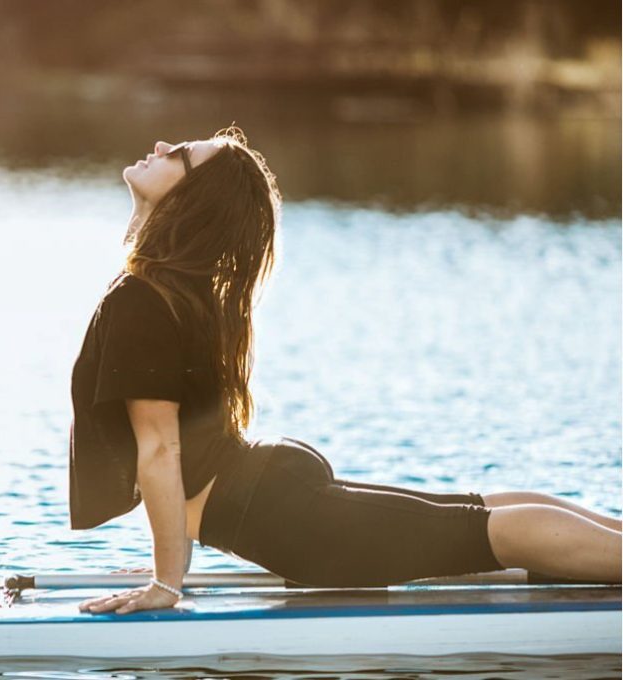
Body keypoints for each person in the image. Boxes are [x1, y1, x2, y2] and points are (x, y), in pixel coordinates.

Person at [67, 127, 622, 615]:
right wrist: (168, 567)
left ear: (192, 200)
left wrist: (167, 581)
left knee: (494, 530)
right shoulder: (175, 293)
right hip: (271, 492)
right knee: (481, 515)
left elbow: (164, 452)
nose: (162, 146)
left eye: (180, 154)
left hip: (287, 519)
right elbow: (177, 454)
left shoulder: (146, 296)